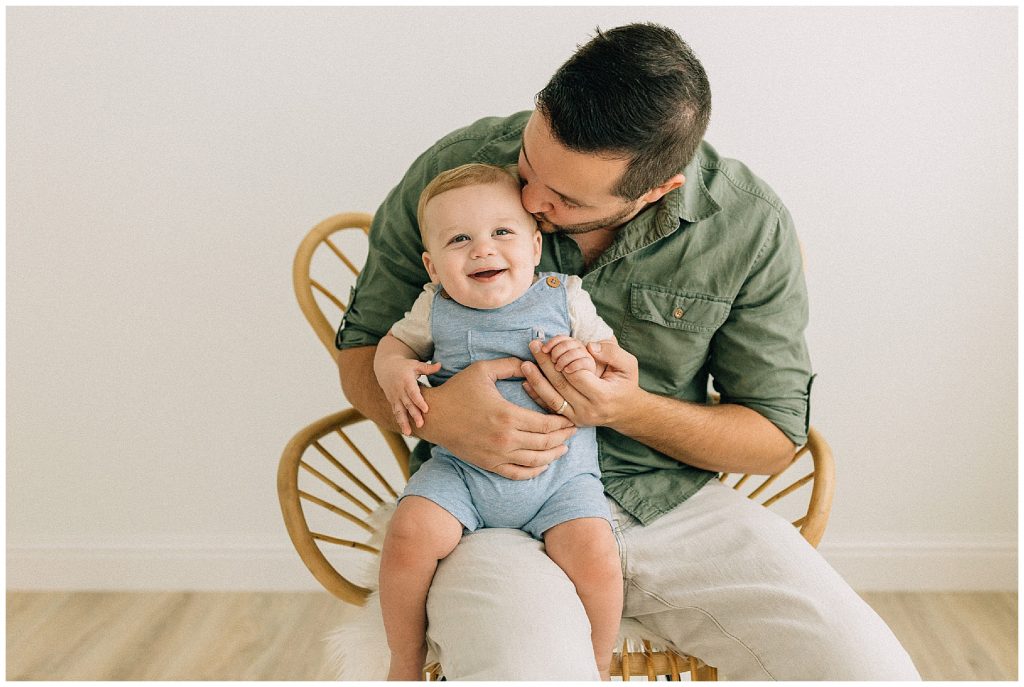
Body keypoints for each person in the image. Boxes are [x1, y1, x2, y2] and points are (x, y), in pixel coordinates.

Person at [335, 22, 921, 680]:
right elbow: (362, 354)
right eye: (529, 167)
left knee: (867, 668)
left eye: (562, 199)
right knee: (528, 668)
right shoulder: (454, 171)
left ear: (654, 191)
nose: (528, 201)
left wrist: (628, 408)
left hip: (669, 503)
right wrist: (439, 416)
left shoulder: (748, 227)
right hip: (485, 506)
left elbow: (771, 438)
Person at [373, 162, 622, 680]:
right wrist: (395, 369)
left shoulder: (564, 295)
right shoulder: (432, 306)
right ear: (434, 265)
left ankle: (599, 661)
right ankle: (403, 657)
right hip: (462, 475)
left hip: (560, 479)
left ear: (534, 247)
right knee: (408, 535)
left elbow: (609, 357)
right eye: (459, 238)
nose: (482, 249)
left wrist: (585, 361)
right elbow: (390, 345)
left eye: (501, 232)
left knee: (597, 555)